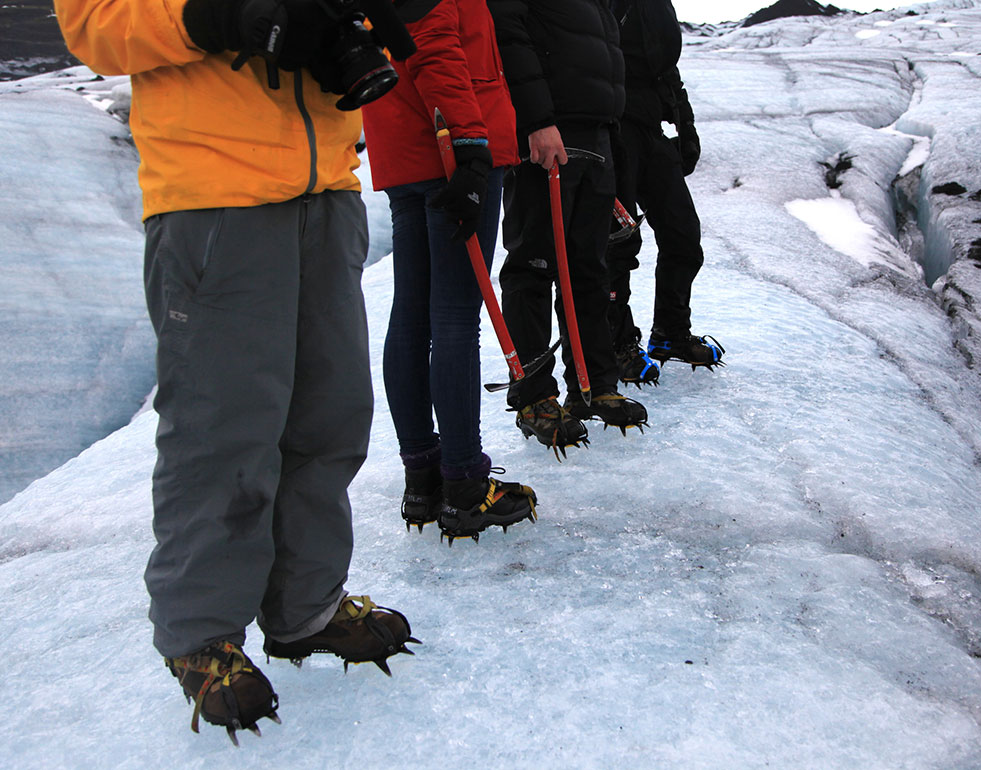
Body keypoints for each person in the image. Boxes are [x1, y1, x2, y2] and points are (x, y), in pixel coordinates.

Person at [55, 0, 417, 742]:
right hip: (214, 194)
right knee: (224, 428)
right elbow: (92, 23)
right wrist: (222, 16)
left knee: (330, 415)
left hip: (329, 190)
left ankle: (306, 606)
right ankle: (203, 635)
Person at [360, 0, 538, 543]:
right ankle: (464, 483)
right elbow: (434, 46)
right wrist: (470, 145)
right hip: (449, 149)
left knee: (412, 317)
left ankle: (423, 479)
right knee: (456, 318)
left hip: (403, 147)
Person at [487, 0, 648, 456]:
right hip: (548, 135)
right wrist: (537, 121)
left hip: (595, 135)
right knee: (533, 267)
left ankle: (593, 385)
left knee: (589, 270)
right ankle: (535, 398)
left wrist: (610, 131)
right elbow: (510, 35)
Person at [606, 0, 724, 387]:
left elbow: (665, 68)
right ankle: (617, 345)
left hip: (650, 128)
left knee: (683, 236)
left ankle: (670, 333)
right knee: (618, 245)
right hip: (611, 127)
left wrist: (684, 124)